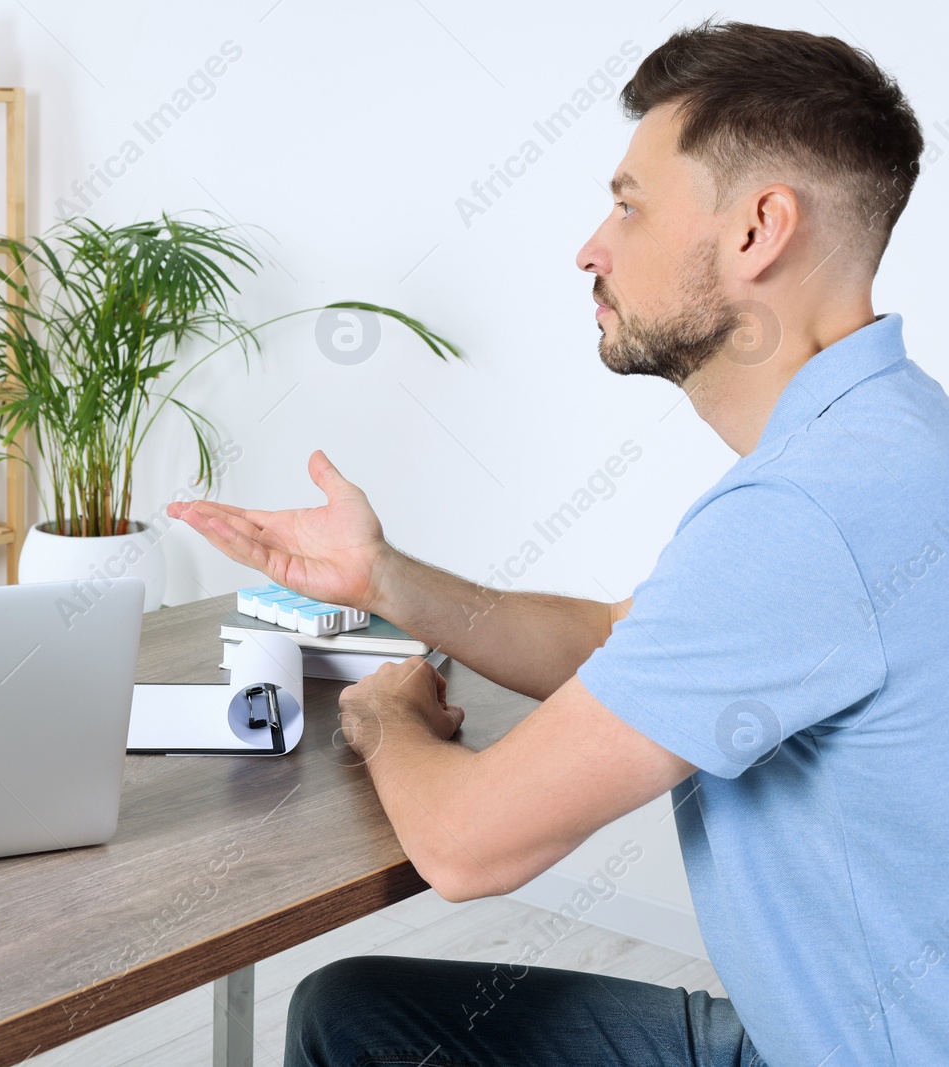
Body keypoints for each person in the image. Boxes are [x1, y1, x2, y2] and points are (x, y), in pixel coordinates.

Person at [172, 21, 945, 1067]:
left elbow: (464, 844)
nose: (591, 245)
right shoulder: (890, 437)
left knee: (360, 1019)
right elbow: (614, 643)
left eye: (628, 204)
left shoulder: (802, 514)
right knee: (357, 1011)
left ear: (759, 229)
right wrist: (385, 577)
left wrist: (382, 715)